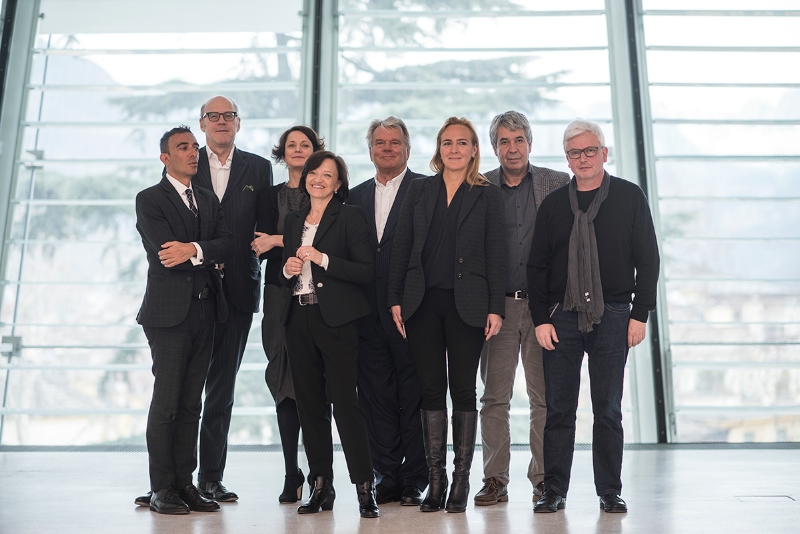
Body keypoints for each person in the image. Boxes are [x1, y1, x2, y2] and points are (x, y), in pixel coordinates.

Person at [528, 119, 660, 514]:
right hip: (560, 318)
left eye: (590, 150)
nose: (583, 158)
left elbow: (648, 259)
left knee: (608, 409)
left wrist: (640, 314)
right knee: (558, 409)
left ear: (604, 153)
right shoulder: (554, 205)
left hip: (614, 315)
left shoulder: (629, 196)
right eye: (575, 152)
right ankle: (553, 490)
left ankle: (609, 491)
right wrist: (540, 319)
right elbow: (536, 266)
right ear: (567, 159)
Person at [387, 117, 506, 513]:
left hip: (468, 305)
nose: (454, 149)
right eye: (447, 142)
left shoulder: (487, 195)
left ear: (474, 150)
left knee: (464, 390)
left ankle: (461, 480)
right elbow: (401, 246)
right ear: (439, 149)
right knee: (431, 389)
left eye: (462, 143)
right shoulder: (420, 190)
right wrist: (395, 299)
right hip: (421, 303)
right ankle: (436, 482)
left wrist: (496, 307)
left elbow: (496, 254)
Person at [134, 125, 234, 514]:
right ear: (165, 158)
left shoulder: (207, 199)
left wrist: (192, 248)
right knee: (168, 402)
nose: (193, 153)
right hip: (168, 314)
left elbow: (228, 244)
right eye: (183, 148)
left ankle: (184, 484)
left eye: (194, 147)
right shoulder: (150, 199)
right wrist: (205, 253)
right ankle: (161, 487)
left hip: (205, 310)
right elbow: (166, 254)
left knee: (192, 403)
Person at [474, 111, 570, 506]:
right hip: (496, 308)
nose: (512, 148)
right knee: (494, 398)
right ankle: (495, 479)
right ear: (494, 147)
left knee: (543, 398)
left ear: (530, 143)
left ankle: (544, 481)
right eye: (504, 141)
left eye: (518, 140)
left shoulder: (557, 183)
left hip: (544, 310)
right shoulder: (479, 187)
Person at [280, 151, 379, 518]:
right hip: (298, 318)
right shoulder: (293, 220)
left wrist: (322, 259)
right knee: (309, 405)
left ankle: (365, 487)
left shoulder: (351, 216)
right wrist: (288, 269)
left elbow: (366, 271)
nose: (318, 179)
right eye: (313, 173)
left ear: (338, 184)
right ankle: (321, 485)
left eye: (327, 175)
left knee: (345, 403)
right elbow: (282, 275)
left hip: (336, 321)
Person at [194, 96, 273, 502]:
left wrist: (250, 254)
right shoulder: (187, 162)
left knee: (221, 389)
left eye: (229, 116)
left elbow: (266, 229)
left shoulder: (258, 168)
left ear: (238, 124)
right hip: (194, 288)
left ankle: (210, 478)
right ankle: (172, 479)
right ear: (202, 124)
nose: (222, 121)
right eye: (214, 116)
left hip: (240, 288)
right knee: (184, 388)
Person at [348, 117, 427, 506]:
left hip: (412, 311)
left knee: (413, 395)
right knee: (375, 397)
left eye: (395, 142)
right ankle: (387, 475)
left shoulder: (425, 190)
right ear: (370, 151)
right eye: (380, 142)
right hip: (366, 313)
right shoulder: (354, 196)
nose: (387, 148)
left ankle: (415, 477)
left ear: (407, 149)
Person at [251, 125, 325, 503]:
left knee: (314, 383)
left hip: (320, 295)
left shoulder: (328, 191)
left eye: (305, 144)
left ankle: (319, 474)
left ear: (316, 151)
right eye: (291, 145)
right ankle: (290, 472)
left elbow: (327, 240)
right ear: (282, 152)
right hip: (279, 295)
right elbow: (260, 247)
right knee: (282, 381)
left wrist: (280, 239)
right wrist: (285, 243)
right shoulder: (268, 196)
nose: (297, 149)